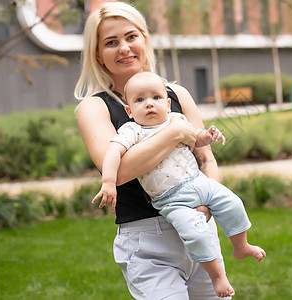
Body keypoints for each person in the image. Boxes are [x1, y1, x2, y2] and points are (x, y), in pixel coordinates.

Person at [74, 2, 232, 299]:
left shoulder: (177, 95)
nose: (124, 48)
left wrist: (208, 206)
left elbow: (206, 159)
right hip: (147, 240)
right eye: (111, 42)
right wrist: (173, 132)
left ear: (144, 40)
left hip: (198, 226)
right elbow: (118, 173)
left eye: (131, 37)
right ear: (98, 54)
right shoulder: (94, 107)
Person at [92, 71, 266, 297]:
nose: (149, 105)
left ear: (167, 103)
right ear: (129, 111)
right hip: (172, 199)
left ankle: (241, 245)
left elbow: (196, 139)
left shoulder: (176, 119)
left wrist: (209, 135)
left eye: (155, 98)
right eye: (139, 100)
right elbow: (113, 152)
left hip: (199, 183)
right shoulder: (132, 131)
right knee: (196, 234)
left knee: (233, 202)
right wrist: (108, 182)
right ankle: (217, 276)